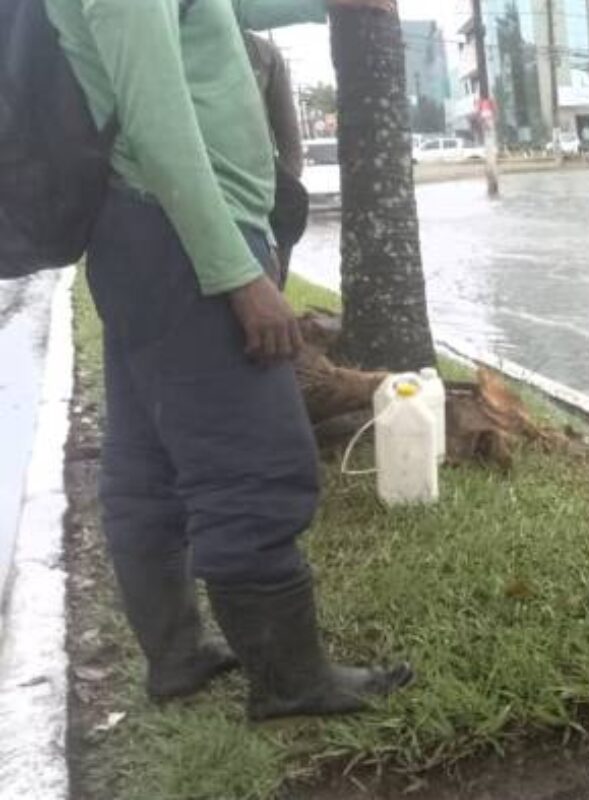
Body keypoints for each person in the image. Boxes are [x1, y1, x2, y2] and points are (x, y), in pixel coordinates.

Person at [46, 0, 412, 719]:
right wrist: (235, 276)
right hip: (179, 236)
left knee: (149, 465)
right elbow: (154, 119)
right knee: (257, 468)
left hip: (148, 236)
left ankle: (178, 657)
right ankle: (292, 683)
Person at [243, 32, 308, 276]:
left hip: (260, 170)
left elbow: (288, 133)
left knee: (291, 203)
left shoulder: (264, 53)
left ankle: (276, 286)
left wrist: (285, 178)